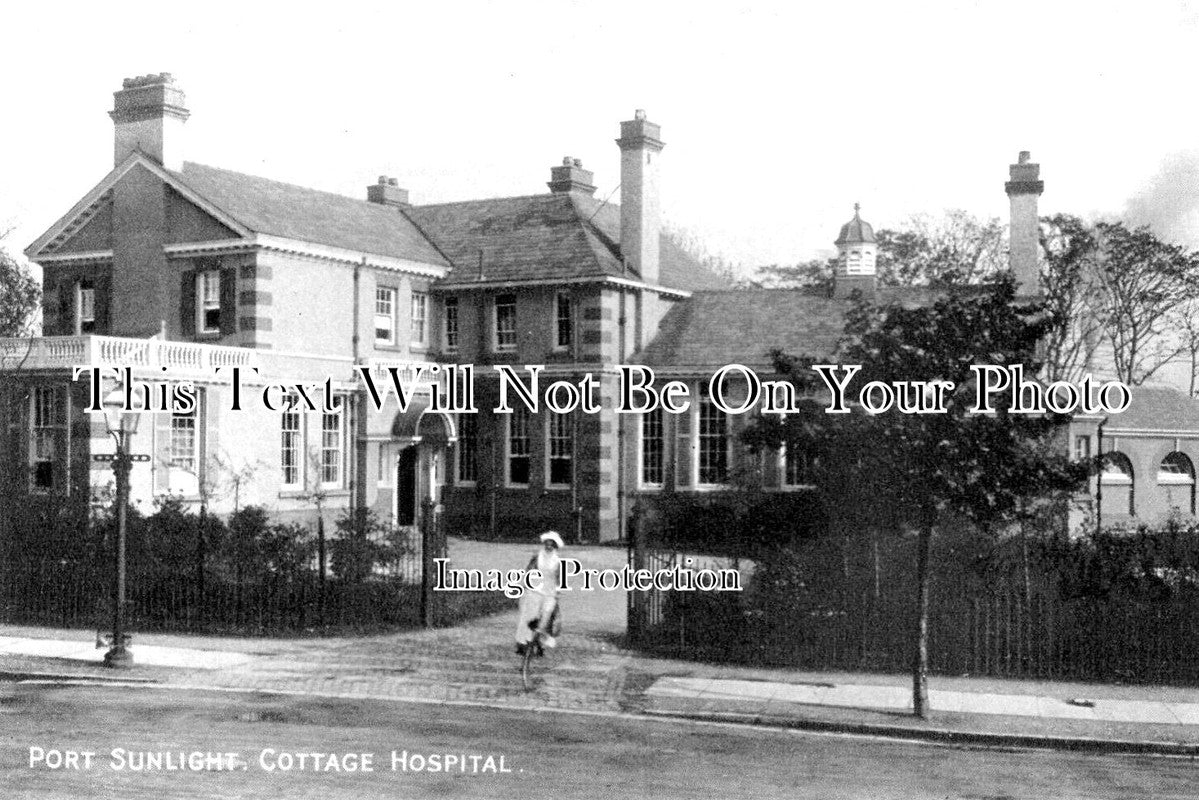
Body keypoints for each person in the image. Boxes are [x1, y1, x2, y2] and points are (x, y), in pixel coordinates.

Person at [515, 531, 564, 656]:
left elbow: (559, 579)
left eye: (551, 545)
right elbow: (529, 570)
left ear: (555, 546)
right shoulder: (538, 556)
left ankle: (540, 644)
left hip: (549, 592)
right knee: (530, 617)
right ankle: (524, 643)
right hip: (535, 590)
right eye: (547, 544)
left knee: (545, 618)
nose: (548, 547)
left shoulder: (557, 561)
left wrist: (557, 594)